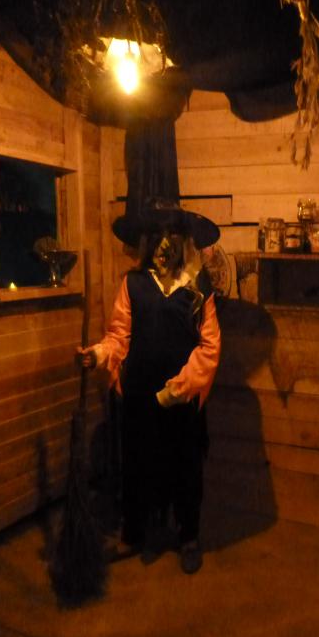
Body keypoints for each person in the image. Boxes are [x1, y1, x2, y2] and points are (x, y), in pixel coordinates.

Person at [78, 198, 221, 574]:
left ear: (184, 240)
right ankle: (133, 534)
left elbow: (209, 347)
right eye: (157, 233)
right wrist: (98, 355)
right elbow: (119, 336)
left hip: (181, 397)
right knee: (138, 464)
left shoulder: (198, 288)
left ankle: (188, 536)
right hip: (140, 395)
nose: (164, 242)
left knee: (185, 465)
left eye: (172, 233)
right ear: (147, 240)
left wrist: (177, 389)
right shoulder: (134, 284)